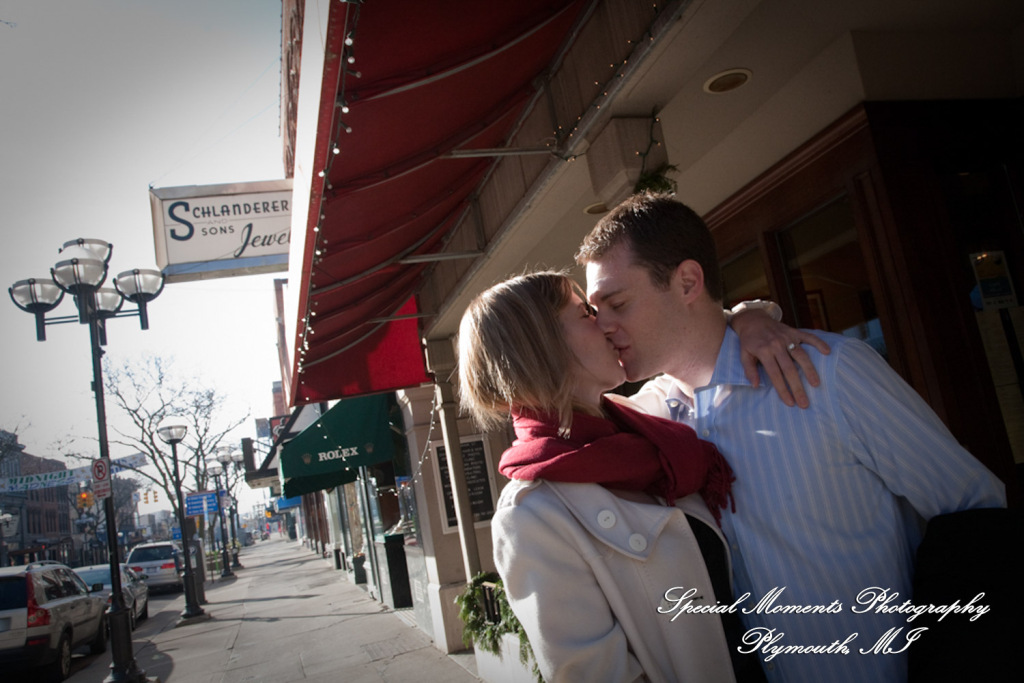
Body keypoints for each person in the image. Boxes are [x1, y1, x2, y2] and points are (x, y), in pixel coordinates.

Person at [577, 192, 1008, 683]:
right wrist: (750, 313)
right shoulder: (644, 421)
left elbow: (978, 515)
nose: (605, 326)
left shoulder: (831, 375)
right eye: (594, 313)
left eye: (616, 303)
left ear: (688, 282)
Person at [458, 271, 772, 683]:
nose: (606, 323)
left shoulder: (643, 423)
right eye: (586, 313)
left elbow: (704, 344)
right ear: (544, 345)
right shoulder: (530, 516)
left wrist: (750, 319)